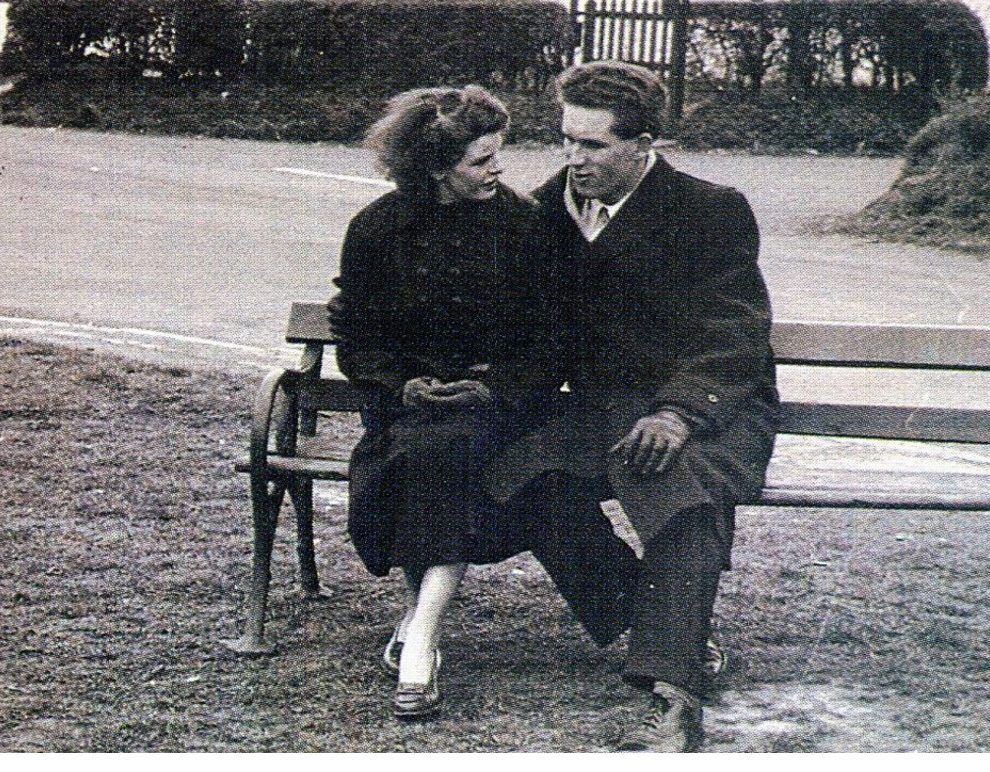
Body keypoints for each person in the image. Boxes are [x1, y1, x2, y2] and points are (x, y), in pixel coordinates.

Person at [485, 60, 779, 752]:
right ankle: (666, 620)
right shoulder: (545, 212)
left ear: (644, 144)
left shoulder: (710, 210)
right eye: (565, 140)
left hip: (709, 408)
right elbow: (537, 337)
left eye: (592, 145)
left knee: (676, 490)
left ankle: (676, 691)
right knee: (521, 476)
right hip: (603, 411)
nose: (573, 159)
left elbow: (732, 331)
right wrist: (493, 386)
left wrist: (677, 414)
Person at [327, 85, 537, 721]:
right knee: (427, 454)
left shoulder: (524, 225)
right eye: (480, 160)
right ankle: (422, 631)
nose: (498, 169)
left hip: (496, 409)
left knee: (442, 456)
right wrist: (403, 388)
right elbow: (357, 336)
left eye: (499, 154)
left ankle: (419, 638)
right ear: (436, 169)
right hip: (406, 407)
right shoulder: (377, 229)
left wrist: (494, 388)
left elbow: (549, 339)